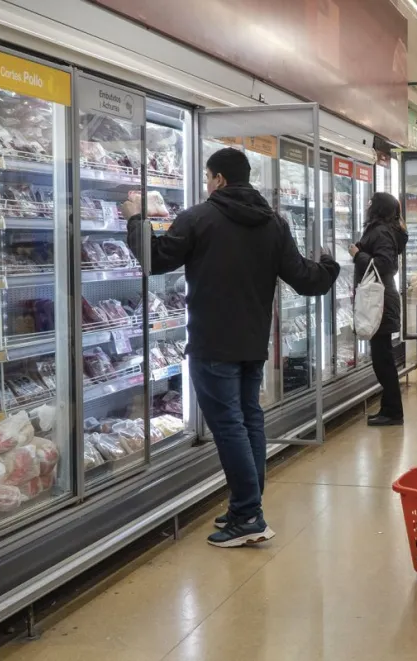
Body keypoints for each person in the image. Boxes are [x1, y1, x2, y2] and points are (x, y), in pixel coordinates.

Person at [124, 147, 339, 548]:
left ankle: (247, 514)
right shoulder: (273, 224)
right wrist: (330, 266)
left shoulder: (198, 218)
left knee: (228, 426)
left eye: (208, 178)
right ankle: (247, 506)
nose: (206, 185)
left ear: (219, 179)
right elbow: (305, 279)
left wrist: (137, 219)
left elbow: (155, 260)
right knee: (248, 420)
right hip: (252, 343)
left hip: (212, 342)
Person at [349, 192, 408, 426]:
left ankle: (393, 411)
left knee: (382, 359)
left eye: (371, 203)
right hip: (381, 298)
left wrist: (358, 255)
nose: (367, 206)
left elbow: (385, 264)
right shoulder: (386, 230)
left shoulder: (381, 232)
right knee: (382, 357)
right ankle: (389, 408)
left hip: (380, 300)